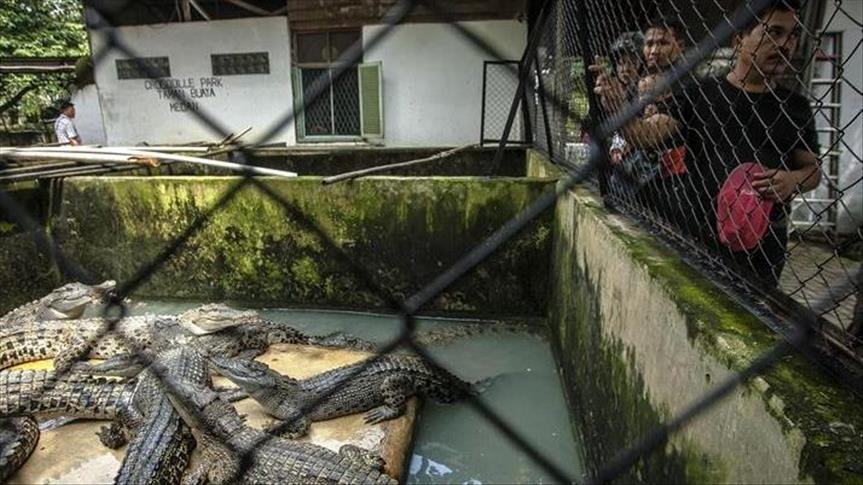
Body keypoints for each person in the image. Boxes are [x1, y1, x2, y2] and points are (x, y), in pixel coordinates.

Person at [597, 0, 821, 287]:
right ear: (739, 40)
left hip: (765, 246)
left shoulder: (795, 107)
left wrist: (793, 180)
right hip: (700, 239)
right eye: (774, 33)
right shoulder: (702, 94)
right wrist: (618, 110)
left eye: (792, 35)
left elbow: (812, 170)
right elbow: (648, 136)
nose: (785, 44)